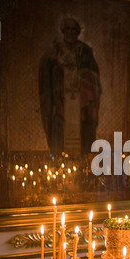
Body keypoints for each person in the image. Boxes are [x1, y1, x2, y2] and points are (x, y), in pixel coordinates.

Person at [39, 17, 102, 156]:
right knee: (61, 128)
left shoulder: (85, 50)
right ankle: (60, 158)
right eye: (68, 29)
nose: (71, 32)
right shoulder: (55, 49)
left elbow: (94, 76)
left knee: (83, 130)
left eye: (74, 29)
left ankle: (83, 159)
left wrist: (81, 75)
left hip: (81, 101)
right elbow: (47, 72)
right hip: (61, 100)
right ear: (63, 30)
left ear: (78, 31)